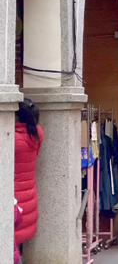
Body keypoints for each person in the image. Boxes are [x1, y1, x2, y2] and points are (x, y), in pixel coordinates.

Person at [14, 99, 43, 248]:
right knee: (16, 247)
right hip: (28, 197)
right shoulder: (36, 134)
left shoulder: (14, 140)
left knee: (12, 250)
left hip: (15, 197)